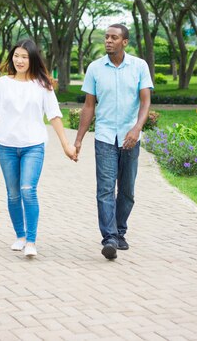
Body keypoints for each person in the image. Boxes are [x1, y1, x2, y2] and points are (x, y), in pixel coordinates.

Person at [0, 39, 77, 258]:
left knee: (27, 189)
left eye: (24, 56)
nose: (20, 60)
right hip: (6, 146)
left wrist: (66, 145)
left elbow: (54, 115)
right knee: (13, 194)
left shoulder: (42, 85)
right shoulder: (2, 83)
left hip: (33, 145)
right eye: (16, 56)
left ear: (32, 59)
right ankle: (20, 236)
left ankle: (32, 241)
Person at [74, 24, 153, 260]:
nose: (108, 40)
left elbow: (145, 102)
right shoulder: (95, 68)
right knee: (105, 189)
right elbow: (89, 106)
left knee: (127, 191)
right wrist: (78, 139)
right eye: (107, 37)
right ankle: (109, 238)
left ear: (125, 42)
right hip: (105, 137)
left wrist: (137, 129)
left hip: (130, 137)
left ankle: (120, 231)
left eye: (114, 37)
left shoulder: (139, 66)